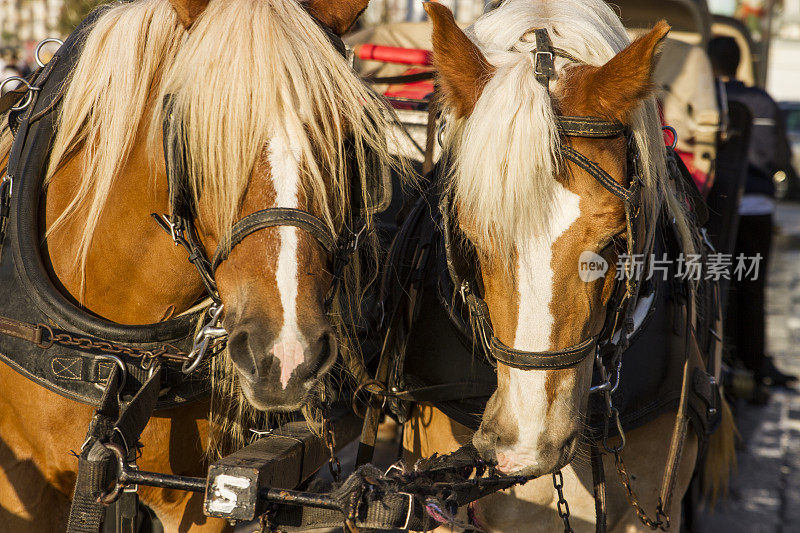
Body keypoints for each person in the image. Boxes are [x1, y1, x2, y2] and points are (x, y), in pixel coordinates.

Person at [708, 36, 797, 400]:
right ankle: (754, 361)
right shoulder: (763, 101)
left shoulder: (708, 98)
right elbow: (780, 156)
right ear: (739, 62)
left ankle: (718, 357)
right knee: (753, 288)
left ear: (709, 64)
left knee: (714, 283)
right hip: (758, 207)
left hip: (718, 208)